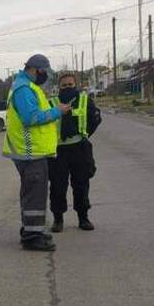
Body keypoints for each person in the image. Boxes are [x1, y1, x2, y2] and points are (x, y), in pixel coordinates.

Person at [2, 54, 72, 251]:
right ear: (33, 69)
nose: (45, 77)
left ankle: (31, 231)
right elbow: (31, 118)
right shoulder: (24, 89)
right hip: (29, 153)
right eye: (43, 73)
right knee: (35, 195)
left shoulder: (27, 86)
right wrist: (57, 111)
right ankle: (33, 236)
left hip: (30, 152)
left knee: (32, 193)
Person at [48, 73, 102, 232]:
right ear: (59, 87)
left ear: (76, 85)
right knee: (58, 186)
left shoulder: (85, 101)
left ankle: (83, 218)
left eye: (70, 84)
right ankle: (58, 219)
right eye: (64, 85)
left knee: (81, 184)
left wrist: (84, 135)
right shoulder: (52, 103)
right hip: (58, 151)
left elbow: (95, 120)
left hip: (79, 148)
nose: (67, 88)